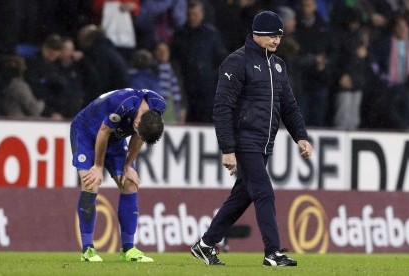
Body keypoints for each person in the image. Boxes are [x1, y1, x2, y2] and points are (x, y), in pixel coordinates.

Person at [190, 11, 313, 267]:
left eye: (279, 35)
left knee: (241, 198)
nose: (276, 40)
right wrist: (228, 148)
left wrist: (300, 136)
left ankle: (205, 244)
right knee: (264, 192)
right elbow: (222, 107)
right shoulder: (237, 62)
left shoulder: (278, 65)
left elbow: (288, 106)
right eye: (271, 35)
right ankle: (272, 252)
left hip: (265, 142)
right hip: (244, 140)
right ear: (256, 34)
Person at [70, 88, 165, 262]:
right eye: (138, 132)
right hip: (86, 132)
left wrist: (128, 165)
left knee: (129, 182)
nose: (139, 137)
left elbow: (139, 136)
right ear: (136, 122)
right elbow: (103, 132)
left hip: (113, 139)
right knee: (90, 182)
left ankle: (128, 249)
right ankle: (88, 250)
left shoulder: (158, 106)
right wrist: (98, 166)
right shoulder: (122, 104)